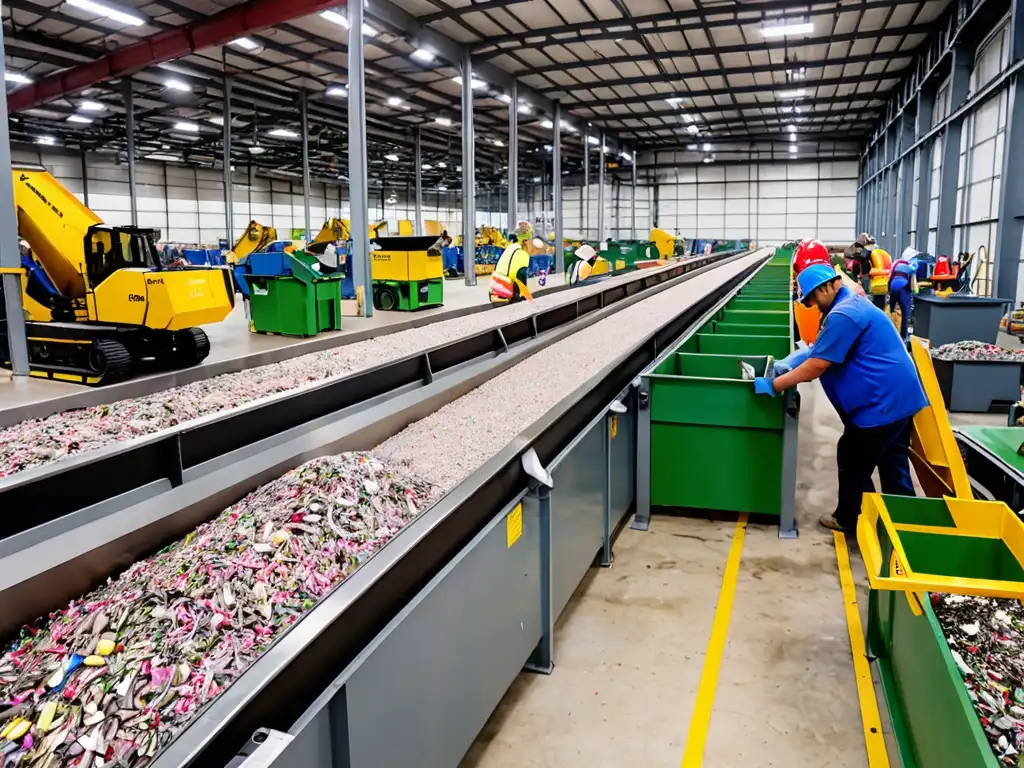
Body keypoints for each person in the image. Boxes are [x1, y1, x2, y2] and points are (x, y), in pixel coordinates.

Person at [753, 263, 928, 533]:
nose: (812, 305)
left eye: (812, 298)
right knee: (893, 463)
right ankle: (907, 525)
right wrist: (793, 359)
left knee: (852, 459)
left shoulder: (844, 314)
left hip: (880, 406)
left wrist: (774, 384)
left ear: (829, 286)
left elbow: (817, 366)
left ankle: (849, 518)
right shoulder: (850, 306)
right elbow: (819, 349)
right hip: (900, 400)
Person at [888, 247, 920, 340]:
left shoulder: (896, 264)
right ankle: (903, 338)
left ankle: (892, 334)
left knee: (891, 312)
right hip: (903, 289)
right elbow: (912, 285)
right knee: (906, 314)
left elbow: (890, 278)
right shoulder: (910, 267)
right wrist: (913, 294)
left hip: (892, 288)